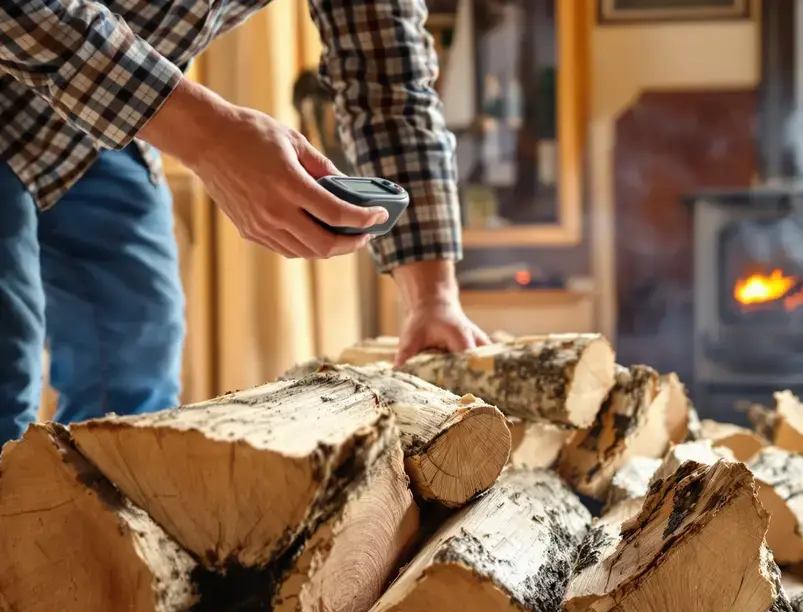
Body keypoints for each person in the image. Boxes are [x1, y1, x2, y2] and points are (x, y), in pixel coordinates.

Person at [0, 0, 490, 445]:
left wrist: (432, 298)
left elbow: (389, 75)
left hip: (91, 125)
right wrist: (208, 136)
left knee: (136, 380)